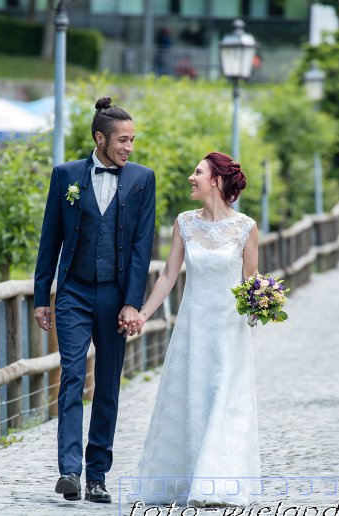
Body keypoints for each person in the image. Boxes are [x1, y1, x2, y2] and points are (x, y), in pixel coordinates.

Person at [34, 96, 156, 503]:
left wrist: (132, 302)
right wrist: (41, 296)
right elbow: (50, 239)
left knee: (107, 384)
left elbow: (141, 247)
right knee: (72, 375)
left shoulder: (142, 179)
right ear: (100, 138)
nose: (129, 147)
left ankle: (97, 475)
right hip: (74, 291)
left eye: (132, 140)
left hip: (115, 296)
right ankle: (69, 471)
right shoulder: (66, 175)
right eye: (123, 140)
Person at [125, 151, 261, 508]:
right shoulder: (185, 223)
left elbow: (251, 280)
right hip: (193, 328)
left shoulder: (246, 227)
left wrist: (264, 302)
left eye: (198, 172)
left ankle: (217, 483)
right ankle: (190, 477)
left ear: (216, 180)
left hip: (229, 331)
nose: (191, 177)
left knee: (224, 400)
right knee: (193, 397)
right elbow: (169, 275)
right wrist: (143, 314)